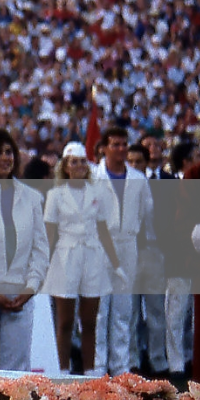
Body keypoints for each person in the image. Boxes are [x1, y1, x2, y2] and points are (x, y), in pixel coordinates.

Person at [0, 128, 49, 371]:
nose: (5, 158)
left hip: (20, 298)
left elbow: (40, 249)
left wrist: (30, 287)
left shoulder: (32, 197)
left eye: (9, 152)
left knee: (15, 375)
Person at [42, 142, 120, 375]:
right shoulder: (55, 195)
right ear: (65, 167)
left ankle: (90, 371)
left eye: (82, 161)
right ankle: (62, 371)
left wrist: (115, 263)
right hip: (65, 258)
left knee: (89, 322)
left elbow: (103, 230)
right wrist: (42, 264)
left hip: (92, 257)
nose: (78, 166)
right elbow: (49, 233)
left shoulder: (97, 194)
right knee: (64, 322)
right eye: (73, 162)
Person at [91, 126, 156, 375]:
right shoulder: (94, 177)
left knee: (122, 311)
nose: (120, 149)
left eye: (124, 144)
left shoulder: (138, 180)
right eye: (115, 144)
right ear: (105, 148)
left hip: (128, 246)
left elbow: (146, 214)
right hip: (98, 247)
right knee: (98, 312)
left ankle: (120, 369)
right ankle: (97, 369)